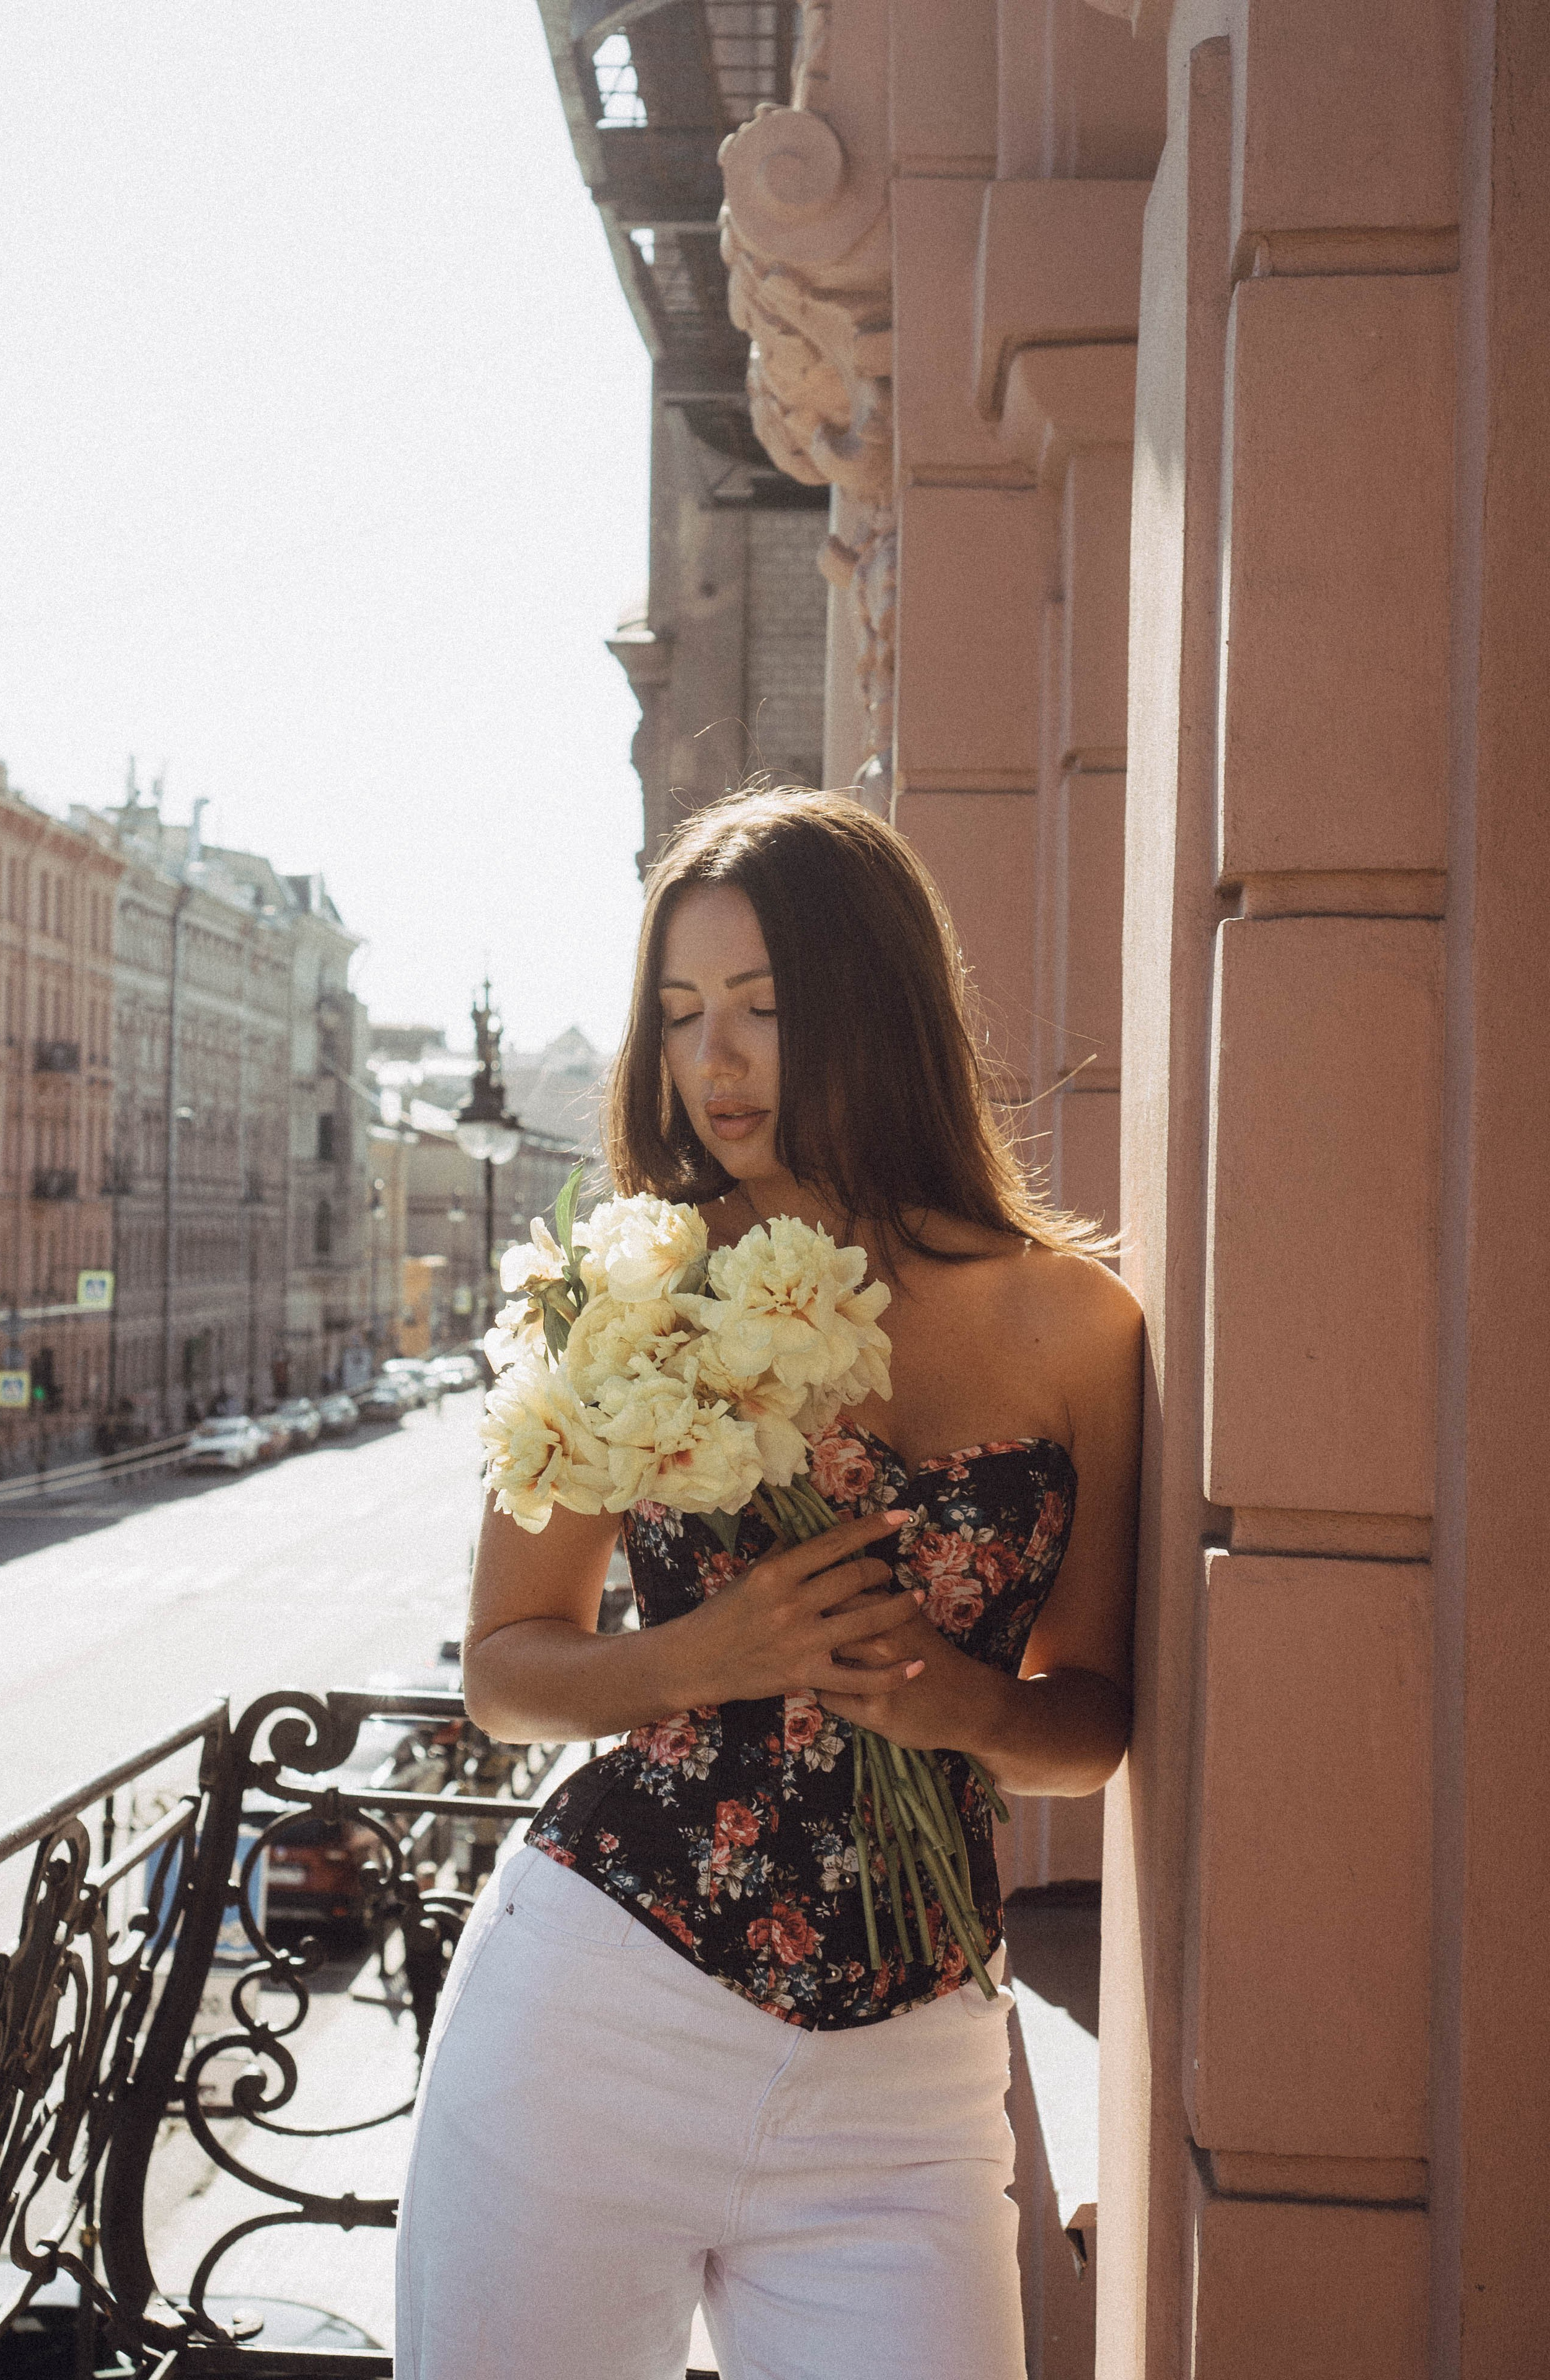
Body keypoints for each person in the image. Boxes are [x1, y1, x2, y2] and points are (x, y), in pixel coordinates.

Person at [396, 788, 1142, 2380]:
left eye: (760, 1008)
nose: (712, 1062)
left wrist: (956, 1703)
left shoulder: (1079, 1328)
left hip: (910, 2064)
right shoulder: (631, 1291)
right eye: (679, 1017)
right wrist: (703, 1653)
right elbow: (505, 1671)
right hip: (599, 2010)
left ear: (872, 1005)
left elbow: (1087, 1725)